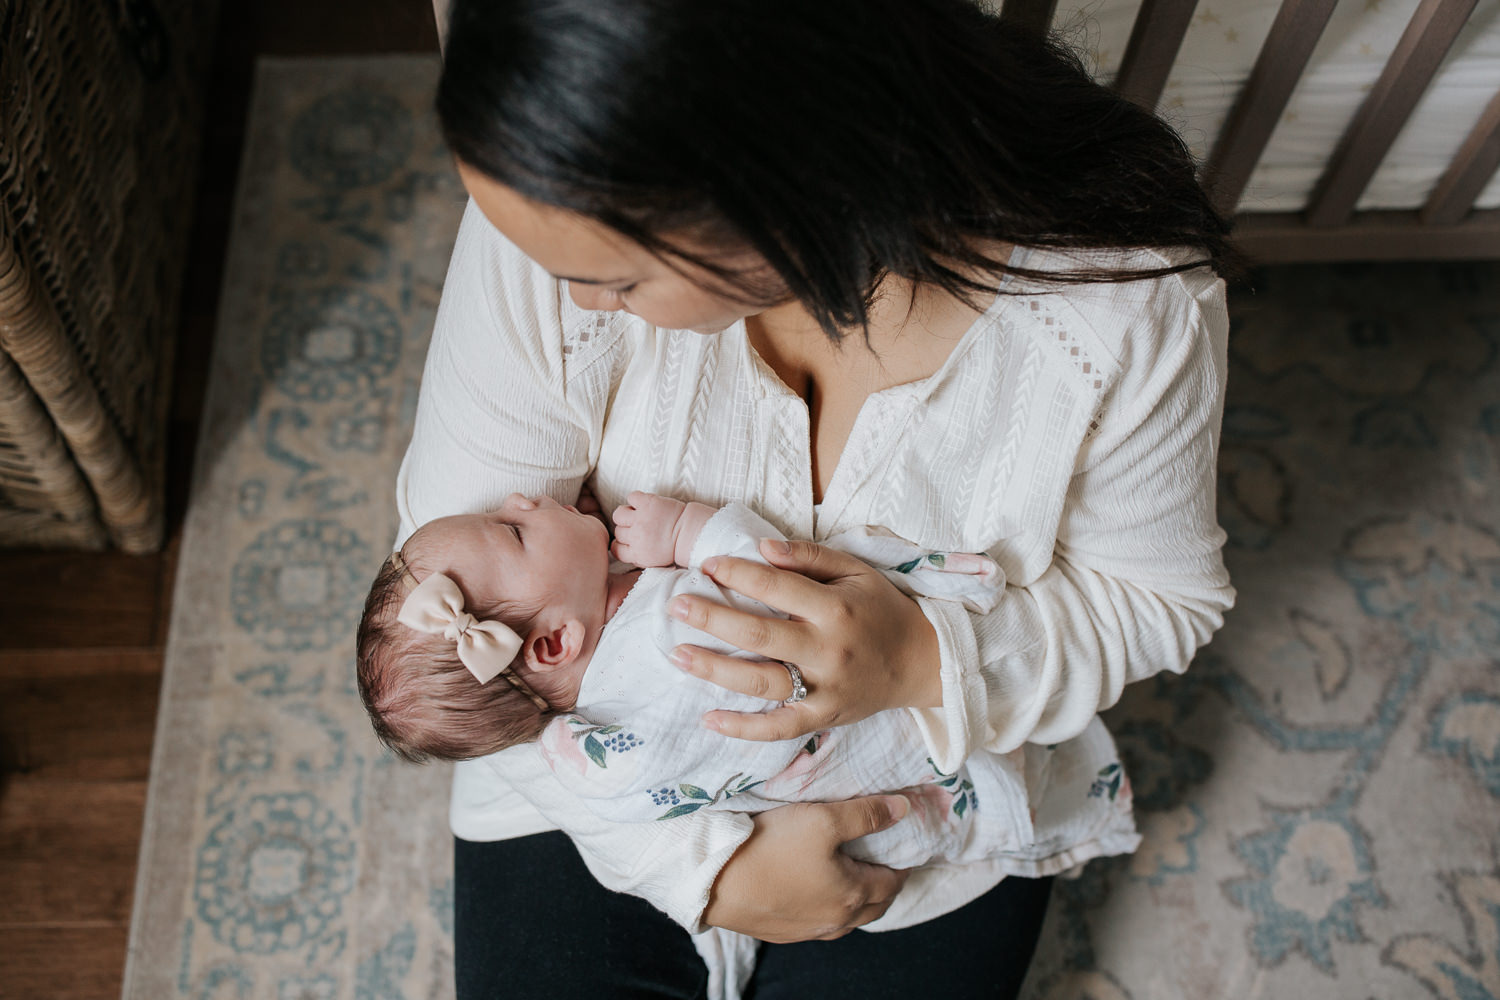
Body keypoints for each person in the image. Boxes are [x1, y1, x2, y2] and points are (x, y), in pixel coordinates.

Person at [402, 0, 1238, 996]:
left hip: (921, 796)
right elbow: (458, 607)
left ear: (779, 189)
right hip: (585, 785)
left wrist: (922, 657)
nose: (576, 300)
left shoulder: (1124, 313)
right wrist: (700, 872)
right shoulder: (551, 203)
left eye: (615, 283)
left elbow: (1158, 600)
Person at [360, 490, 1138, 998]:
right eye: (515, 526)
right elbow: (771, 587)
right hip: (891, 777)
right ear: (556, 642)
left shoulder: (582, 750)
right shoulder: (676, 628)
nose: (522, 495)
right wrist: (688, 532)